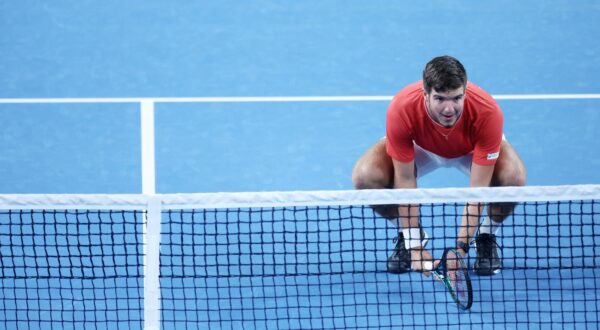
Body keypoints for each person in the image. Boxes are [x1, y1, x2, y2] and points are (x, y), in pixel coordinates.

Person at [352, 55, 526, 276]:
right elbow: (405, 180)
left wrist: (460, 250)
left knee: (513, 178)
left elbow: (477, 192)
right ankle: (408, 234)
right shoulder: (402, 109)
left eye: (456, 98)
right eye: (440, 98)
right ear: (425, 94)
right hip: (421, 147)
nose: (449, 108)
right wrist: (414, 247)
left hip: (470, 150)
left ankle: (485, 236)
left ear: (465, 91)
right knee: (366, 177)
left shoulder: (487, 112)